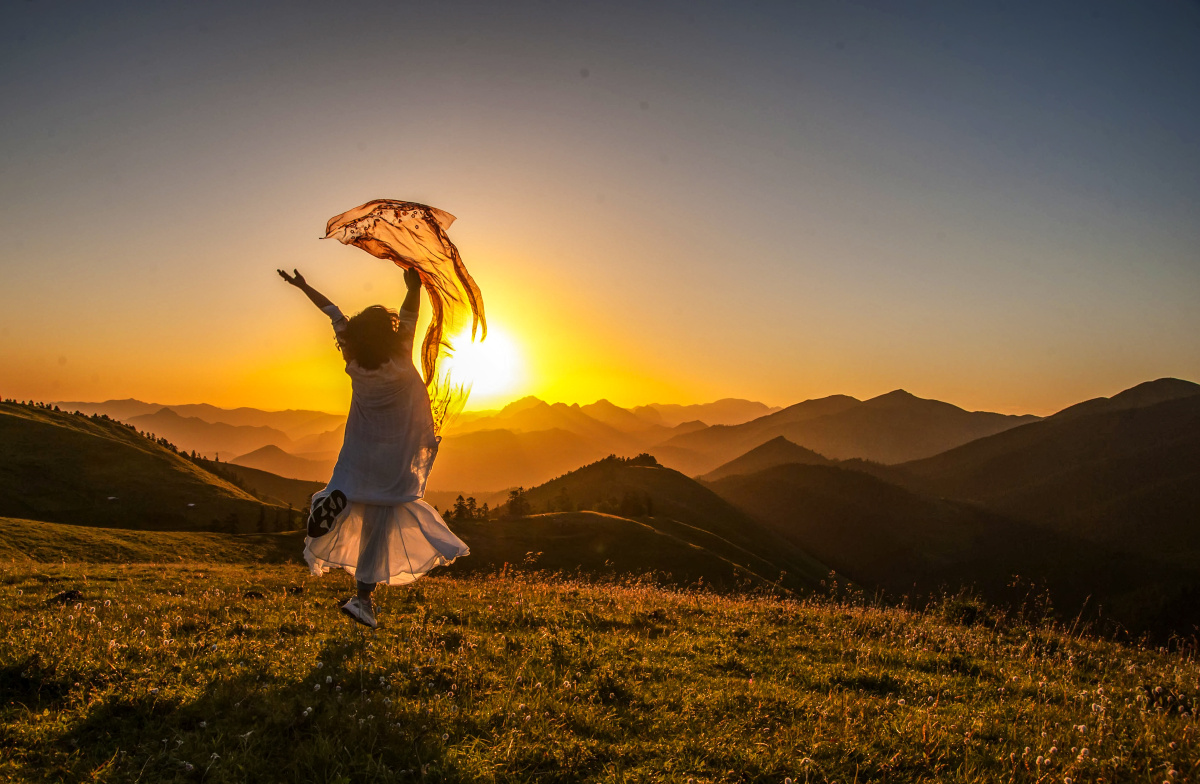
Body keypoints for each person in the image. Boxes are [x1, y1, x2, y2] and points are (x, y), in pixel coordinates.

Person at [278, 266, 469, 628]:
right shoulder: (400, 354)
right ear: (389, 331)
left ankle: (331, 504)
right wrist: (413, 286)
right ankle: (362, 599)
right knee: (379, 525)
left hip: (359, 451)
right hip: (394, 457)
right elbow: (411, 311)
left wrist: (303, 286)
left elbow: (333, 311)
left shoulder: (353, 358)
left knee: (348, 493)